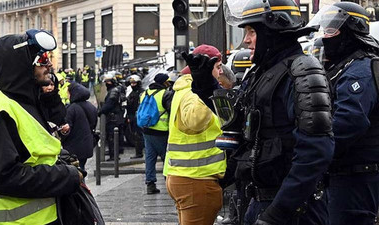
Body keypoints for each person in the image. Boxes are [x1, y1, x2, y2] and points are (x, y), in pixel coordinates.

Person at [209, 1, 334, 224]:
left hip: (293, 209)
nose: (246, 40)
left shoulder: (303, 70)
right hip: (259, 200)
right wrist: (204, 88)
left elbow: (316, 151)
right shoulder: (262, 72)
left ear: (274, 30)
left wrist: (279, 212)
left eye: (252, 31)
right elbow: (238, 121)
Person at [0, 29, 82, 225]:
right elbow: (5, 177)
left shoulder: (25, 102)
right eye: (41, 60)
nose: (49, 64)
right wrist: (65, 175)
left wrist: (60, 160)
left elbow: (34, 153)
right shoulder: (4, 112)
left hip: (40, 219)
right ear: (22, 66)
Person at [308, 2, 379, 224]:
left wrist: (315, 151)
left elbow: (351, 121)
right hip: (342, 171)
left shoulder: (360, 68)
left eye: (332, 30)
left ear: (352, 31)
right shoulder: (343, 66)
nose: (325, 36)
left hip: (357, 174)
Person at [164, 44, 227, 225]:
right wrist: (208, 93)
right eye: (217, 67)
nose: (221, 71)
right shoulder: (193, 92)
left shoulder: (183, 88)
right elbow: (194, 121)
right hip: (196, 178)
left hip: (185, 176)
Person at [141, 73, 173, 194]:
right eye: (167, 82)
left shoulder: (145, 93)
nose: (169, 84)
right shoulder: (166, 94)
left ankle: (150, 184)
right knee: (166, 157)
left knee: (150, 157)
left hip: (146, 130)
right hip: (162, 131)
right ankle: (168, 181)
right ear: (164, 82)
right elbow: (171, 111)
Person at [62, 82, 97, 171]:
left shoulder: (72, 108)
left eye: (68, 93)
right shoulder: (91, 107)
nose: (67, 95)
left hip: (74, 147)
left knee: (76, 171)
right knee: (82, 168)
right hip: (87, 145)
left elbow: (67, 127)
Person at [99, 71, 126, 160]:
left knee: (112, 137)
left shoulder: (113, 91)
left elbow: (109, 104)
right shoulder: (115, 90)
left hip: (113, 118)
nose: (107, 84)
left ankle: (113, 156)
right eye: (106, 82)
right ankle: (115, 154)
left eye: (108, 82)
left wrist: (101, 111)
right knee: (115, 136)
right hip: (117, 117)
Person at [126, 74, 145, 159]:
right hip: (133, 115)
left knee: (138, 135)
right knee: (135, 134)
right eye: (131, 83)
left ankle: (139, 153)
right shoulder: (133, 92)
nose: (133, 85)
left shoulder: (141, 92)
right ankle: (138, 152)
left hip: (138, 115)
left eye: (134, 83)